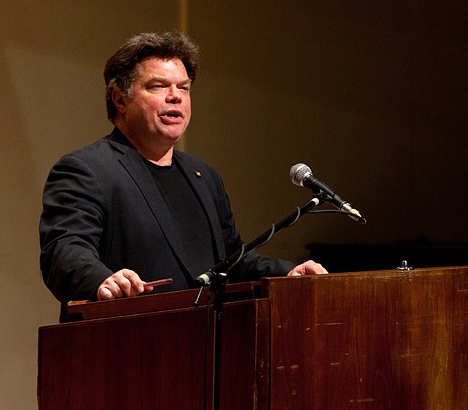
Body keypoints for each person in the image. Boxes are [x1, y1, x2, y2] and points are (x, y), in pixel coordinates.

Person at [39, 31, 328, 322]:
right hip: (122, 338)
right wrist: (101, 280)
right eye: (158, 86)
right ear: (120, 100)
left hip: (202, 341)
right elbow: (64, 250)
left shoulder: (204, 177)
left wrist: (286, 274)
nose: (175, 96)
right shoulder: (87, 169)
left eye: (184, 88)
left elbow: (230, 262)